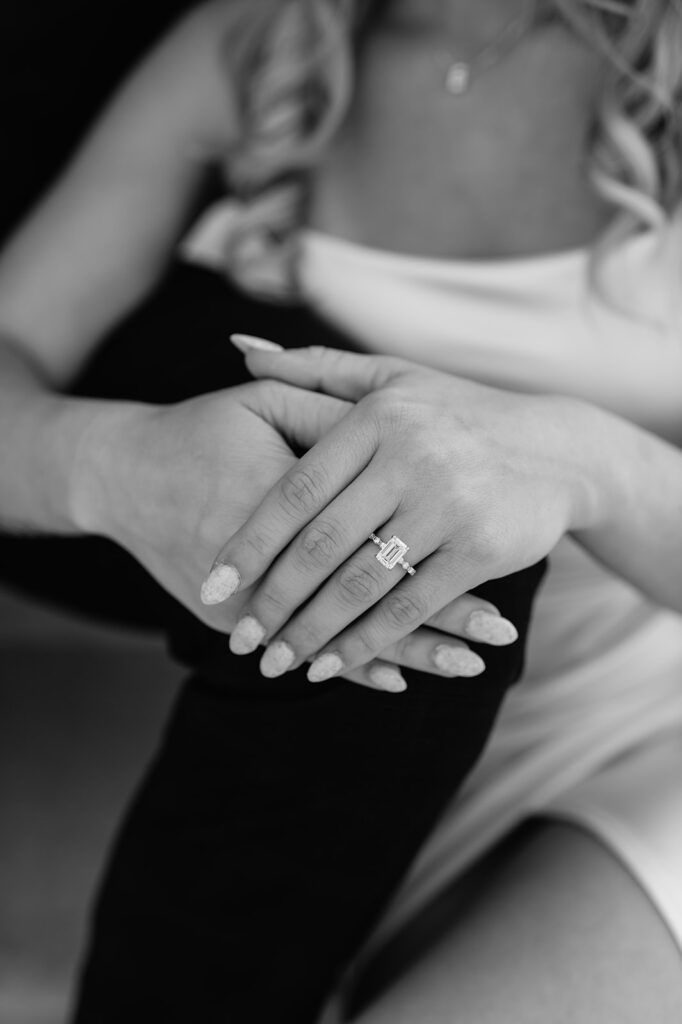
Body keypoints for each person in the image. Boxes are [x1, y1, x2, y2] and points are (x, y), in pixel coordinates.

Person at [0, 0, 680, 1021]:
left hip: (650, 718)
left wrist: (581, 462)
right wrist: (115, 464)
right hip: (358, 726)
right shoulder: (254, 45)